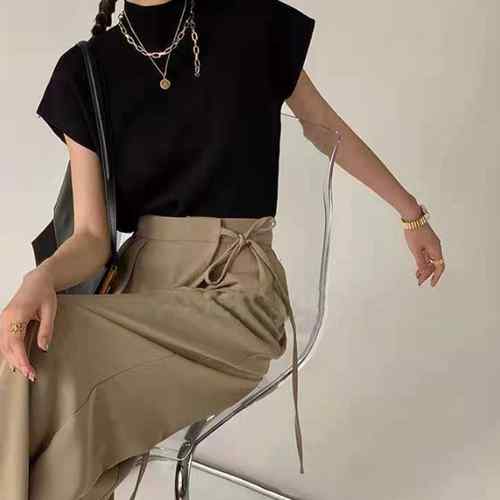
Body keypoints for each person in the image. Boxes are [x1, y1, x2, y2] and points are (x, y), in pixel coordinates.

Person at [0, 0, 445, 499]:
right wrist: (39, 279)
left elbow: (323, 125)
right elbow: (90, 238)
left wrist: (411, 212)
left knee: (58, 371)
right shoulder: (85, 70)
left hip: (237, 294)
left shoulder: (251, 20)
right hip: (142, 292)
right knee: (33, 358)